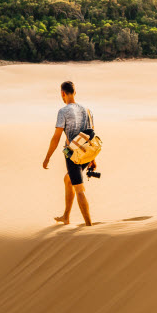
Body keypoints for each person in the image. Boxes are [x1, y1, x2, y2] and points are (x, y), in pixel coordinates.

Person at [42, 80, 94, 226]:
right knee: (68, 179)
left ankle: (89, 227)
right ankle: (66, 216)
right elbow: (92, 135)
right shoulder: (87, 110)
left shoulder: (63, 111)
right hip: (87, 152)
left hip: (72, 153)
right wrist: (93, 158)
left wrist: (47, 157)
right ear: (75, 92)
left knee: (79, 189)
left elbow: (56, 137)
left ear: (62, 94)